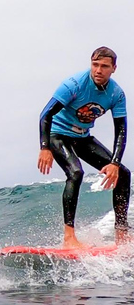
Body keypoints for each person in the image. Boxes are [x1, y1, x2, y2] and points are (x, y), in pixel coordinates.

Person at [37, 46, 131, 248]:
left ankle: (121, 234)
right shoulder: (74, 84)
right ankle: (69, 237)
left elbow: (121, 130)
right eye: (95, 65)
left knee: (123, 173)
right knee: (76, 172)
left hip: (82, 137)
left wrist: (115, 162)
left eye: (104, 66)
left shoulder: (116, 94)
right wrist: (45, 147)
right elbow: (45, 115)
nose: (98, 70)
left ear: (113, 68)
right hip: (57, 135)